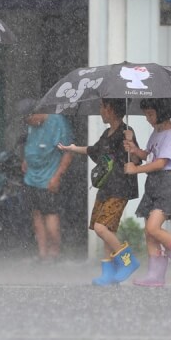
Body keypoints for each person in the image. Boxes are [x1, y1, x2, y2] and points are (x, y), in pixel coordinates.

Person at [59, 98, 143, 285]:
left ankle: (128, 261)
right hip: (106, 186)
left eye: (102, 107)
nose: (100, 111)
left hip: (120, 187)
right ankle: (108, 273)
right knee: (107, 230)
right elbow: (94, 150)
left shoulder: (126, 132)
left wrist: (132, 146)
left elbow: (136, 160)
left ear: (111, 109)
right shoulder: (107, 133)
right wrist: (72, 149)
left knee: (101, 227)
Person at [123, 98, 171, 286]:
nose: (147, 118)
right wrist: (132, 147)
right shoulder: (157, 132)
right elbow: (146, 155)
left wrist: (136, 170)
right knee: (149, 233)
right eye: (146, 114)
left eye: (150, 114)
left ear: (162, 112)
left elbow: (161, 163)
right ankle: (155, 275)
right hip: (153, 183)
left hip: (166, 183)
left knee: (153, 227)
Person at [18, 100, 74, 263]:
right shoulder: (31, 124)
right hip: (31, 177)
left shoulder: (57, 121)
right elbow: (31, 143)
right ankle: (42, 253)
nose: (31, 124)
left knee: (50, 213)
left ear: (36, 113)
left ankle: (54, 252)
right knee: (36, 214)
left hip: (48, 177)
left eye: (30, 120)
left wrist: (57, 177)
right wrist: (26, 160)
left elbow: (68, 152)